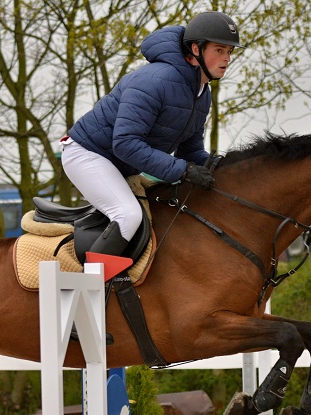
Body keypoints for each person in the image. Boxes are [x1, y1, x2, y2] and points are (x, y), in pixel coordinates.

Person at [61, 11, 244, 263]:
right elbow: (125, 143)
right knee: (128, 215)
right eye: (220, 50)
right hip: (87, 153)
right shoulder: (155, 80)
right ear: (196, 49)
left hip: (119, 163)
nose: (227, 58)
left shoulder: (202, 94)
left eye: (230, 52)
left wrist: (224, 167)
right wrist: (183, 171)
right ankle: (89, 285)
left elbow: (189, 154)